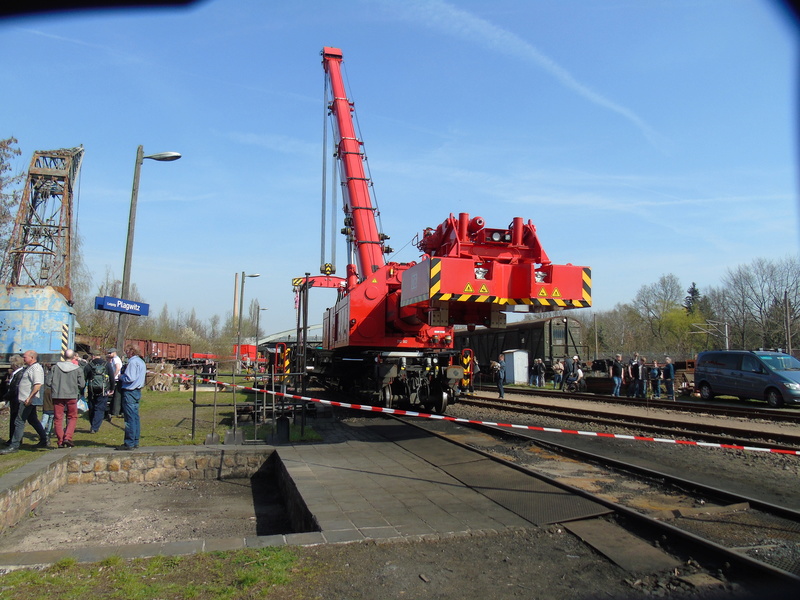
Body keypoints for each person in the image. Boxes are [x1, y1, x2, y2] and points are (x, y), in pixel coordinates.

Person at [1, 350, 48, 454]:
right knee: (33, 420)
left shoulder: (36, 369)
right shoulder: (29, 368)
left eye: (25, 357)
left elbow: (37, 385)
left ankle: (14, 445)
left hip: (27, 400)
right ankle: (44, 439)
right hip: (25, 398)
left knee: (19, 421)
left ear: (32, 357)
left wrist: (30, 398)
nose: (23, 358)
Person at [48, 349, 86, 448]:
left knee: (58, 418)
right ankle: (67, 437)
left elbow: (48, 382)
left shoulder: (55, 367)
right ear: (74, 357)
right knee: (72, 417)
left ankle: (60, 440)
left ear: (63, 356)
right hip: (72, 395)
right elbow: (82, 384)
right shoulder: (77, 369)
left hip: (58, 395)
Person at [118, 344, 146, 450]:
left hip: (130, 391)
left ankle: (129, 442)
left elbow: (130, 377)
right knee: (135, 417)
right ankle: (135, 441)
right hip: (137, 391)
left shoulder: (132, 362)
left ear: (131, 351)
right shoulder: (141, 362)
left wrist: (120, 376)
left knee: (129, 418)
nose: (126, 353)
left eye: (127, 351)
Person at [84, 351, 115, 434]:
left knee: (92, 407)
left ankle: (92, 424)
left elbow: (84, 378)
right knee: (100, 408)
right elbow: (112, 377)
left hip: (92, 390)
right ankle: (95, 427)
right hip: (103, 390)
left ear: (93, 356)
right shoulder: (107, 364)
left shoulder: (89, 365)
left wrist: (83, 390)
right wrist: (112, 388)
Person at [3, 355, 25, 445]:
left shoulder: (19, 374)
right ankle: (13, 438)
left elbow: (15, 389)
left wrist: (6, 396)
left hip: (16, 399)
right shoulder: (17, 373)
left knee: (15, 420)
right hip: (15, 399)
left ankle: (15, 439)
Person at [107, 348, 123, 418]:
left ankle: (115, 411)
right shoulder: (115, 359)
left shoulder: (116, 359)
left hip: (116, 379)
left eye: (110, 353)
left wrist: (113, 376)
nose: (109, 354)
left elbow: (118, 368)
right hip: (116, 379)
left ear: (114, 353)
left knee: (116, 396)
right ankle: (114, 410)